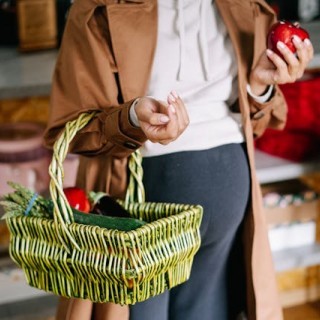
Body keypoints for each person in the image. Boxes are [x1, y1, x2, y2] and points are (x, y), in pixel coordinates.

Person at [44, 0, 314, 319]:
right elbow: (70, 130)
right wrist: (131, 118)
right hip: (140, 216)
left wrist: (259, 87)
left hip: (229, 200)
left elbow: (258, 121)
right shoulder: (97, 9)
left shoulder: (246, 6)